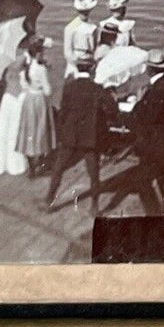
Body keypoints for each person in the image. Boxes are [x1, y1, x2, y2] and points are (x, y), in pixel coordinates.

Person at [45, 53, 119, 214]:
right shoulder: (97, 89)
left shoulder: (69, 87)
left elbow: (63, 112)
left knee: (58, 168)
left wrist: (60, 134)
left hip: (71, 136)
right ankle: (95, 206)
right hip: (90, 138)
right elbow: (112, 111)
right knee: (93, 173)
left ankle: (49, 199)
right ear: (92, 68)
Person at [132, 49, 164, 208]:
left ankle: (154, 215)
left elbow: (147, 119)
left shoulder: (155, 91)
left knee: (142, 182)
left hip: (157, 145)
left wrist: (140, 101)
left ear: (150, 69)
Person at [15, 36, 56, 175]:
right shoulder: (41, 69)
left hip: (28, 99)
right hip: (39, 100)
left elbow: (23, 85)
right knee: (42, 130)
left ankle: (31, 167)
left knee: (29, 130)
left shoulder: (25, 68)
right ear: (38, 53)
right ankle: (42, 163)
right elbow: (48, 90)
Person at [0, 47, 28, 176]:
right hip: (18, 97)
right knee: (15, 129)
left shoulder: (2, 58)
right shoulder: (23, 58)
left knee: (3, 130)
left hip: (7, 97)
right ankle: (15, 162)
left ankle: (0, 162)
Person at [63, 0, 99, 69]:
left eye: (87, 11)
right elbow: (68, 52)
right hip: (76, 62)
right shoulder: (70, 28)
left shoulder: (93, 25)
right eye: (82, 12)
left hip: (91, 61)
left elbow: (95, 47)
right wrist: (77, 65)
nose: (85, 14)